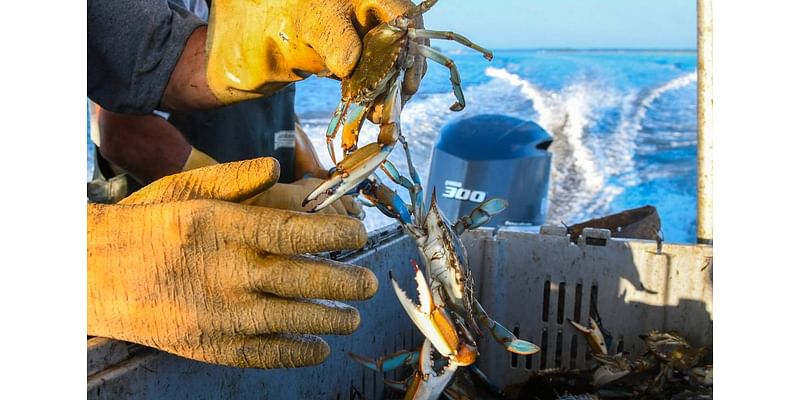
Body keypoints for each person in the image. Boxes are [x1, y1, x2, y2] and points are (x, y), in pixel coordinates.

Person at [87, 0, 426, 369]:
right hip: (153, 278)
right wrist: (255, 195)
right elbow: (120, 128)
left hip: (253, 255)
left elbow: (170, 61)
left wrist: (313, 172)